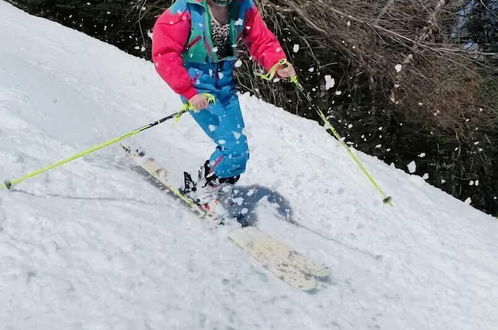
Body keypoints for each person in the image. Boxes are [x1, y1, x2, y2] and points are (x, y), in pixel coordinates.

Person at [152, 0, 295, 210]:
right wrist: (188, 91)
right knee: (234, 150)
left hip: (225, 87)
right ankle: (202, 189)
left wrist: (277, 62)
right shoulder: (186, 8)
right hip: (199, 88)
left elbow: (261, 40)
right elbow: (164, 53)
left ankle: (208, 181)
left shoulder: (242, 6)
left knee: (240, 153)